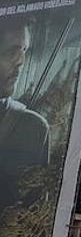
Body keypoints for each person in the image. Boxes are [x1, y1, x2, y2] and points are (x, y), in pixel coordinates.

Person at [0, 16, 50, 208]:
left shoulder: (32, 127)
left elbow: (33, 210)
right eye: (12, 51)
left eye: (24, 51)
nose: (21, 62)